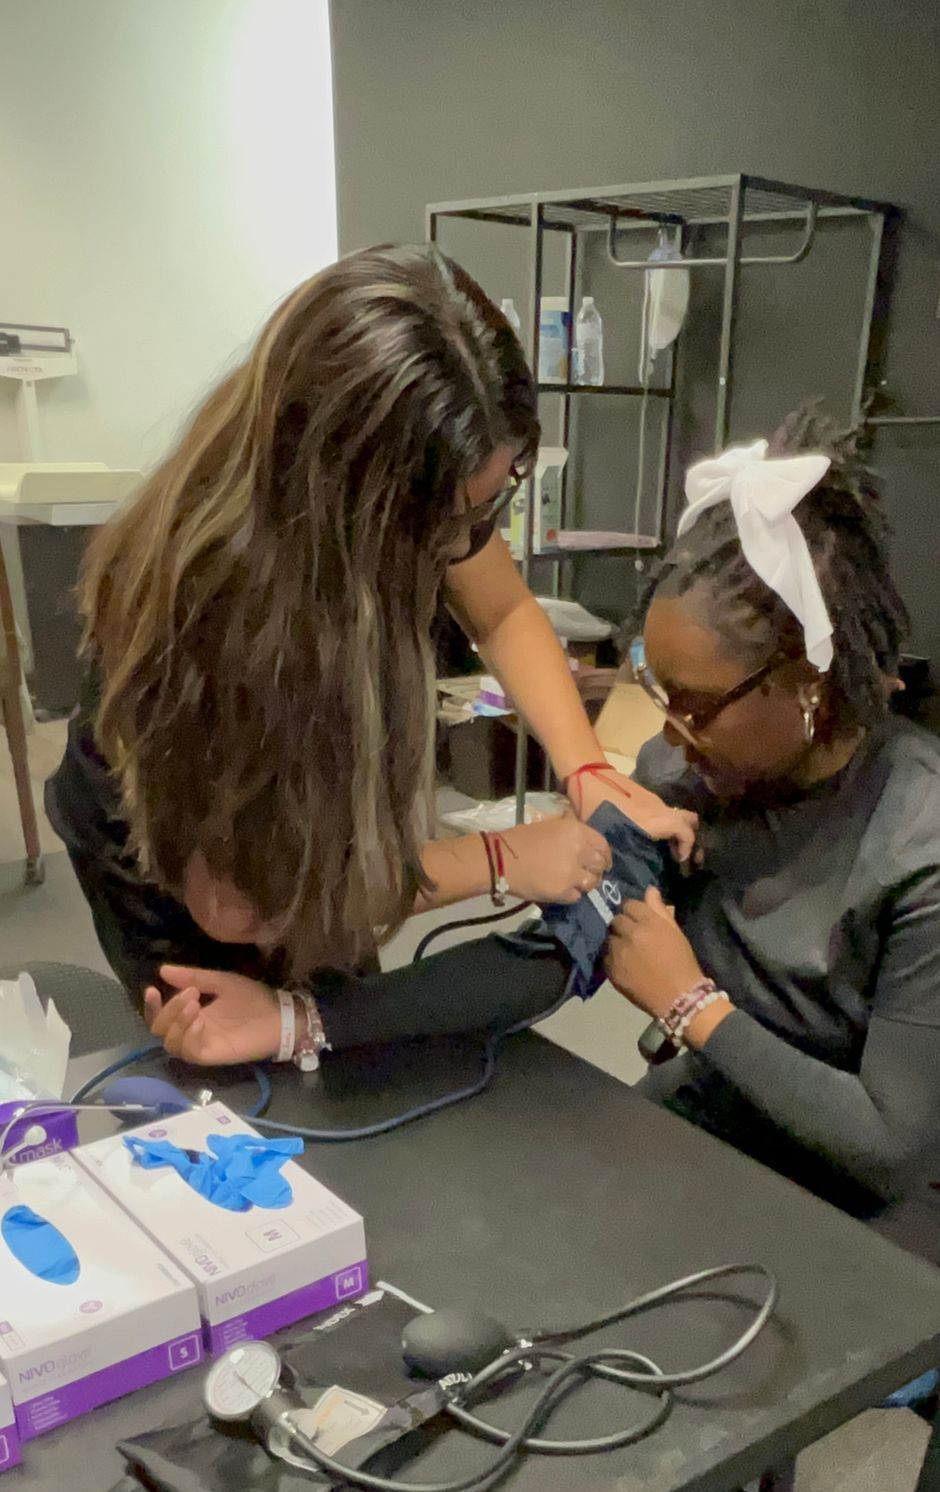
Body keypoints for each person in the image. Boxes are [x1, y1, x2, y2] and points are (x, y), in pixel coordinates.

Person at [47, 244, 692, 1061]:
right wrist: (501, 858)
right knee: (237, 1075)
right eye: (458, 517)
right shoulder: (218, 610)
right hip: (180, 862)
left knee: (335, 1021)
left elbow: (500, 610)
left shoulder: (420, 477)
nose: (471, 539)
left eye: (492, 503)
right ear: (363, 509)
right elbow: (243, 907)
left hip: (282, 844)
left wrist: (587, 770)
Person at [604, 419, 940, 1286]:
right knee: (570, 1221)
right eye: (657, 689)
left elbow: (890, 1147)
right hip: (741, 1101)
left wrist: (691, 1006)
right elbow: (584, 936)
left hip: (905, 1178)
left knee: (732, 1335)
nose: (667, 731)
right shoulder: (688, 771)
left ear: (808, 682)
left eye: (694, 703)